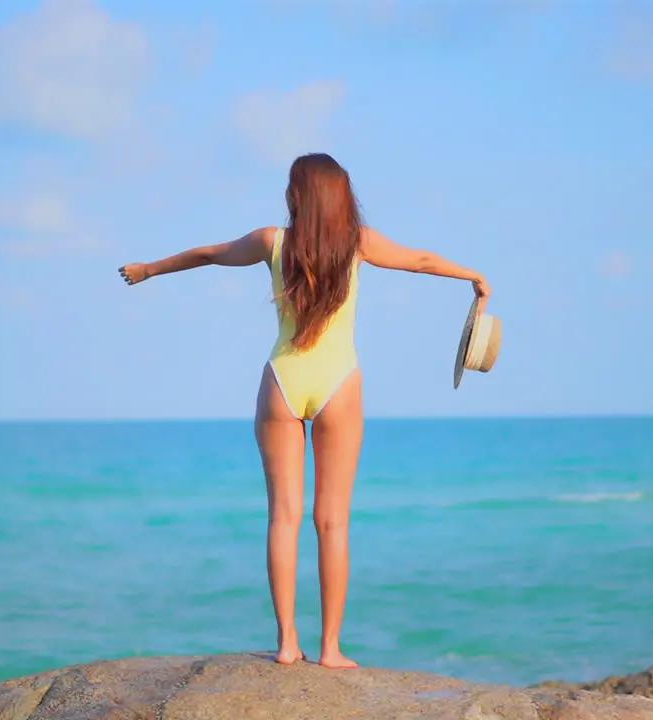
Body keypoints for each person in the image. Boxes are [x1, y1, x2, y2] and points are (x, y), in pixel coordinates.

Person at [117, 152, 491, 669]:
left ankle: (288, 644)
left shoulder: (273, 242)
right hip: (340, 382)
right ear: (342, 196)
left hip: (282, 382)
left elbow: (209, 253)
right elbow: (422, 261)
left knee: (284, 518)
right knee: (333, 523)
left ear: (297, 195)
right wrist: (473, 275)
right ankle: (331, 649)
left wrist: (148, 269)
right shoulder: (358, 242)